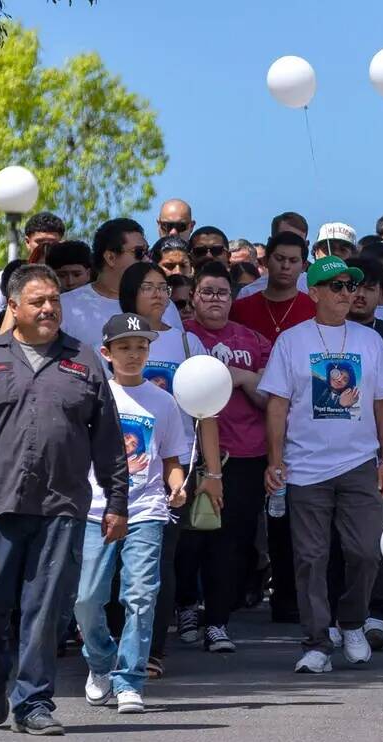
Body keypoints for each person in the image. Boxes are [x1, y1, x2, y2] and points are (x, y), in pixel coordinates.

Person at [0, 264, 128, 734]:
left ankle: (33, 704)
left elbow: (109, 438)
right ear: (13, 307)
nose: (49, 308)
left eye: (54, 300)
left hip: (61, 506)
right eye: (37, 301)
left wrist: (117, 501)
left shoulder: (83, 359)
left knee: (45, 611)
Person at [259, 255, 383, 674]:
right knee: (310, 558)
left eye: (351, 286)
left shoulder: (370, 341)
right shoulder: (292, 340)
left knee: (365, 552)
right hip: (305, 467)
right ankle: (317, 642)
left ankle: (353, 622)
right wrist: (275, 461)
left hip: (360, 463)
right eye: (337, 286)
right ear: (315, 292)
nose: (348, 293)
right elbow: (277, 405)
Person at [75, 312, 189, 715]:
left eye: (141, 346)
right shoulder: (95, 397)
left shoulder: (164, 401)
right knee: (87, 599)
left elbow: (172, 459)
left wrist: (177, 484)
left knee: (140, 596)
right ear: (106, 353)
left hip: (146, 510)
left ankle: (129, 680)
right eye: (124, 347)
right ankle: (101, 660)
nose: (134, 354)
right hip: (95, 510)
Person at [116, 261, 224, 667]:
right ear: (130, 293)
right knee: (110, 570)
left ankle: (151, 651)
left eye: (163, 287)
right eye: (148, 287)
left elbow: (207, 413)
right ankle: (114, 646)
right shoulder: (108, 340)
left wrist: (212, 474)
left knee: (160, 563)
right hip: (117, 469)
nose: (159, 294)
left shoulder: (185, 343)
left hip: (173, 468)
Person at [184, 262, 276, 651]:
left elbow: (270, 397)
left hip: (245, 455)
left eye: (222, 292)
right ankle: (187, 606)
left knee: (232, 543)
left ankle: (218, 622)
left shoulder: (253, 341)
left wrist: (239, 377)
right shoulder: (181, 338)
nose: (215, 299)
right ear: (192, 297)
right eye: (207, 292)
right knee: (188, 542)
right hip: (188, 457)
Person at [61, 218, 183, 349]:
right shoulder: (66, 306)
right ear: (111, 258)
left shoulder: (164, 304)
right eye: (139, 252)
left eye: (148, 252)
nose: (147, 259)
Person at [230, 232, 315, 343]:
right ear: (266, 261)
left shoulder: (315, 311)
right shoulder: (239, 309)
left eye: (293, 261)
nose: (286, 266)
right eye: (279, 259)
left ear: (303, 267)